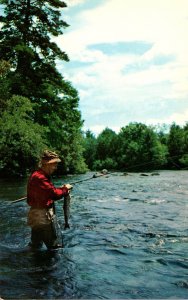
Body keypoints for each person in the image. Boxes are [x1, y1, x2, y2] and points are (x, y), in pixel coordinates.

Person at [27, 150, 72, 250]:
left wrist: (60, 189)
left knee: (35, 246)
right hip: (43, 217)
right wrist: (65, 189)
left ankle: (33, 264)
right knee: (54, 248)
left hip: (35, 215)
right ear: (47, 164)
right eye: (54, 165)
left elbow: (48, 191)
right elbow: (54, 194)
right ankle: (51, 266)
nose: (56, 167)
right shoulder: (41, 177)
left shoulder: (36, 174)